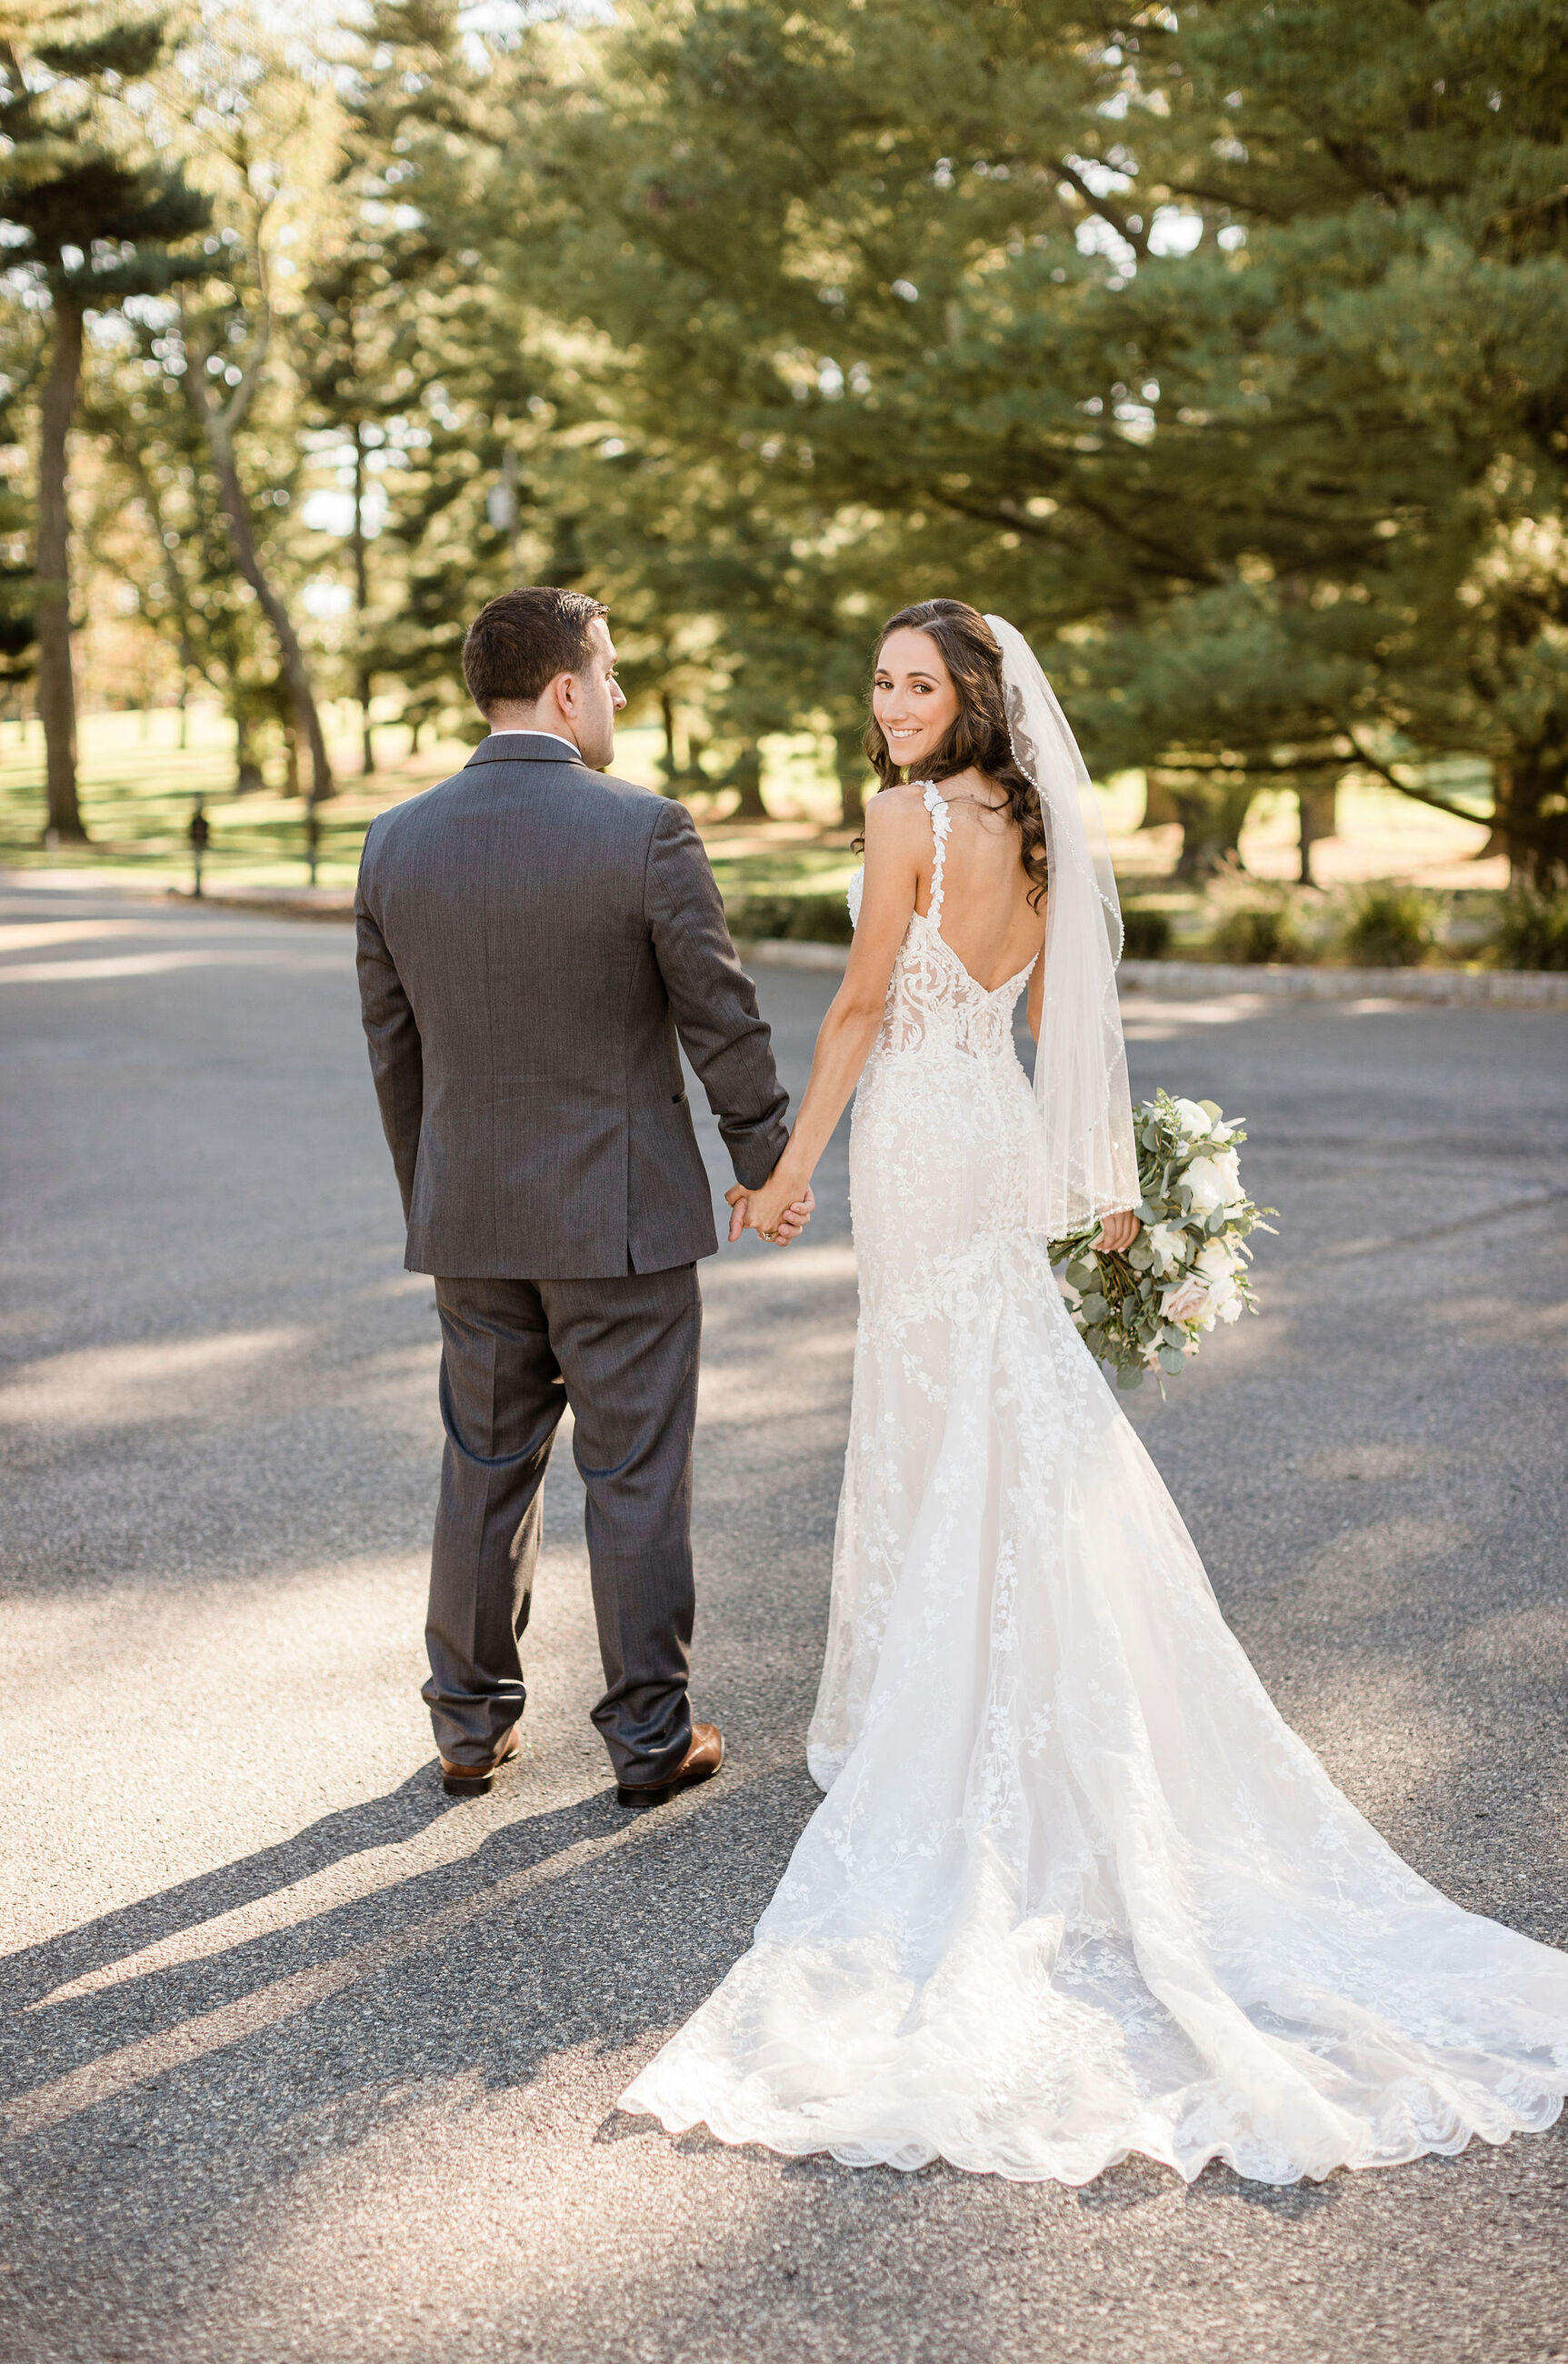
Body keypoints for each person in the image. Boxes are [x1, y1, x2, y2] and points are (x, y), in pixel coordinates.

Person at [621, 597, 1568, 2186]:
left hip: (926, 1141)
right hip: (988, 1123)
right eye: (881, 683)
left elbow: (857, 1004)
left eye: (918, 683)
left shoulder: (905, 817)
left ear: (974, 697)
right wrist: (1106, 1181)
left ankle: (930, 1696)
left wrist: (784, 1172)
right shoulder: (1043, 824)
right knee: (1002, 1388)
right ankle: (995, 1659)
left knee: (938, 1394)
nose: (894, 703)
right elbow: (1067, 1020)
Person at [355, 586, 811, 1807]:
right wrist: (765, 1162)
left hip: (471, 1216)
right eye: (607, 676)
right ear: (565, 688)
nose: (613, 698)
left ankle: (467, 1725)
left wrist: (435, 1195)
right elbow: (722, 1015)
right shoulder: (643, 830)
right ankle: (648, 1738)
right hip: (619, 1225)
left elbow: (391, 1051)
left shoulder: (393, 841)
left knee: (482, 1465)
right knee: (635, 1473)